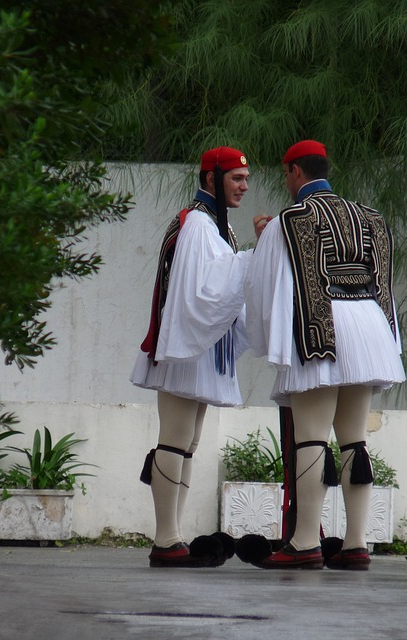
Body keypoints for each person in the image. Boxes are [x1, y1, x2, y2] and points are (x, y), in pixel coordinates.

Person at [243, 140, 405, 570]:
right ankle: (355, 544)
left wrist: (264, 240)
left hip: (322, 328)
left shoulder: (289, 219)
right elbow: (384, 282)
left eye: (285, 174)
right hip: (371, 328)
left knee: (311, 435)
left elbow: (263, 284)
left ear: (295, 172)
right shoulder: (370, 216)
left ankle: (303, 542)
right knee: (354, 439)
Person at [130, 146, 265, 568]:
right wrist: (254, 255)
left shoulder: (214, 227)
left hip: (199, 349)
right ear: (212, 179)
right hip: (185, 347)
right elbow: (203, 292)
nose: (244, 186)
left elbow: (224, 286)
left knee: (186, 443)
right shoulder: (198, 225)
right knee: (174, 439)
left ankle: (173, 536)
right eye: (236, 179)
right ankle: (165, 539)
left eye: (246, 179)